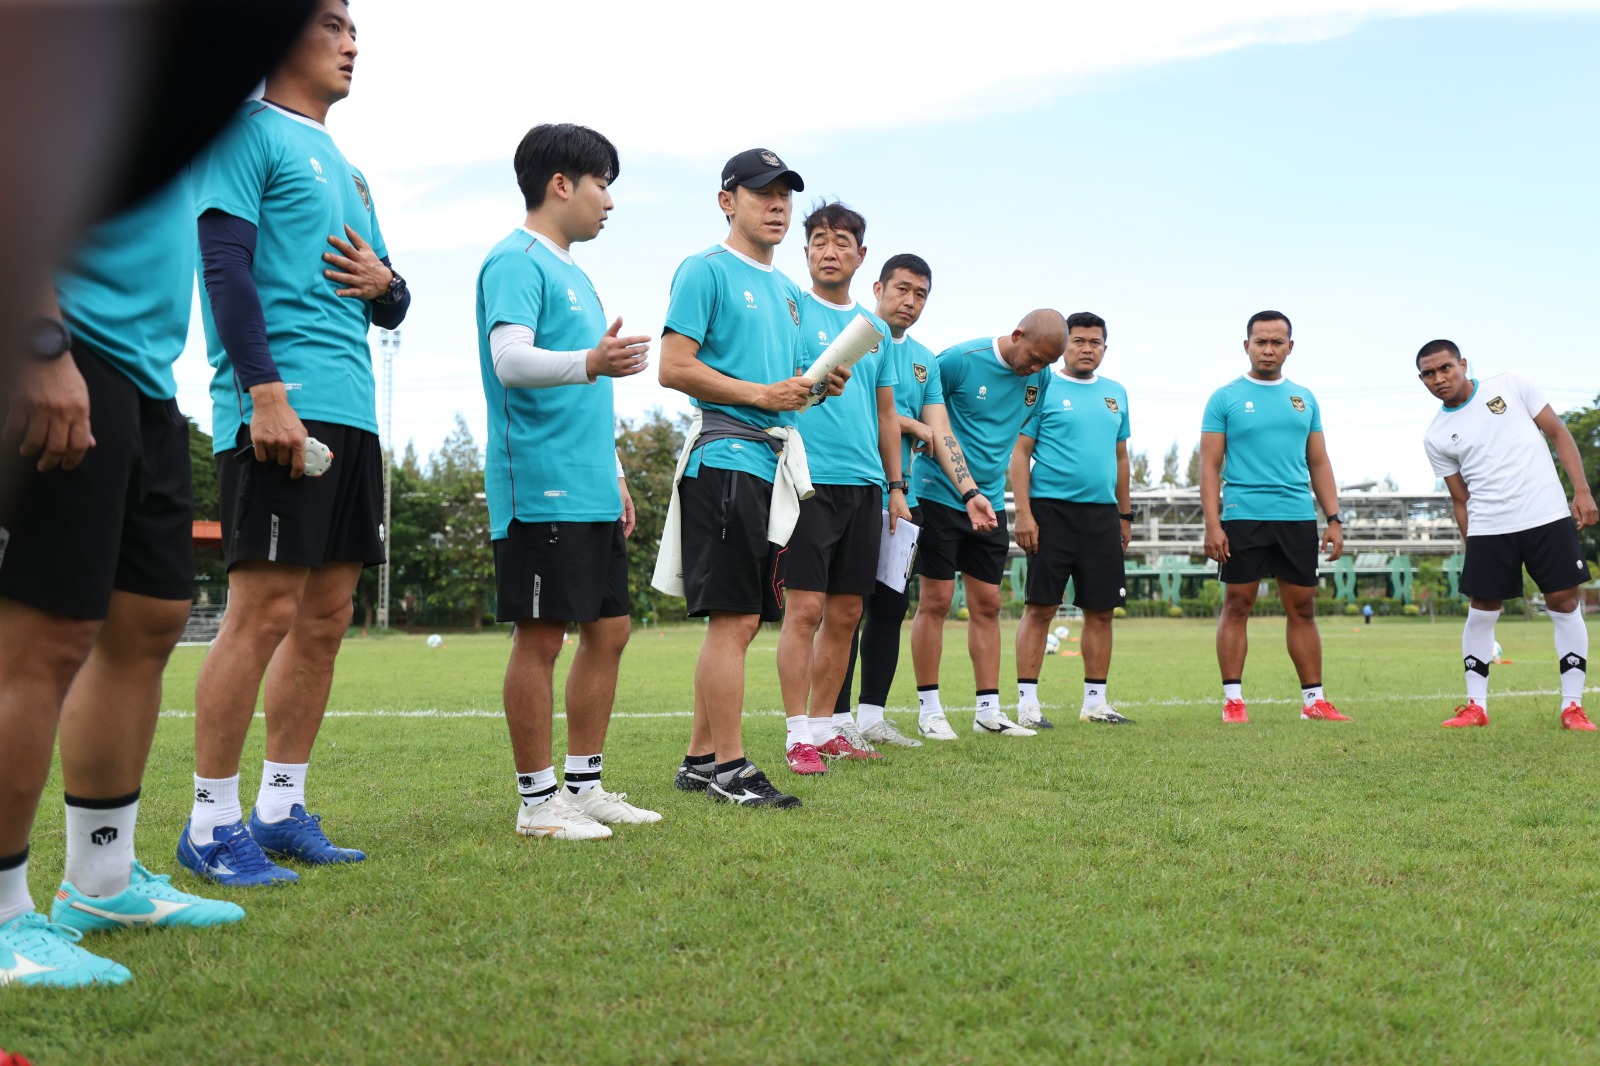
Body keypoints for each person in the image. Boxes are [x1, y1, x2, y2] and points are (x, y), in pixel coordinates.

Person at [180, 0, 411, 885]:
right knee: (263, 613)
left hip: (353, 415)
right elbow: (224, 266)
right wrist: (263, 395)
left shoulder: (351, 172)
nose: (352, 42)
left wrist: (388, 283)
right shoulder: (244, 132)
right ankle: (209, 823)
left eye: (356, 30)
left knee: (323, 620)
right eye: (331, 24)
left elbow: (389, 298)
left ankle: (280, 808)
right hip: (281, 409)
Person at [0, 172, 244, 989]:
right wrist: (40, 339)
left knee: (148, 618)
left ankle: (101, 883)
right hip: (65, 346)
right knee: (48, 629)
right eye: (333, 27)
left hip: (144, 377)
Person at [475, 123, 662, 839]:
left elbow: (589, 385)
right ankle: (537, 804)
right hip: (539, 482)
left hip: (588, 482)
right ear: (562, 184)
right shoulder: (515, 260)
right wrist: (591, 360)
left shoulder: (576, 272)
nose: (608, 200)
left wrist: (615, 470)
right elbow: (510, 361)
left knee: (609, 630)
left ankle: (584, 788)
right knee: (542, 636)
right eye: (602, 183)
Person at [654, 148, 845, 808]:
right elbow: (673, 367)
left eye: (785, 195)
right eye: (762, 193)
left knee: (744, 621)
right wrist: (764, 396)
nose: (777, 206)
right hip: (725, 460)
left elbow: (789, 387)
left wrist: (820, 385)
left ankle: (700, 758)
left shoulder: (789, 295)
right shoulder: (704, 270)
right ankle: (731, 769)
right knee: (732, 622)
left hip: (770, 468)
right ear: (726, 199)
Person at [832, 255, 997, 748]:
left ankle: (870, 717)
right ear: (878, 287)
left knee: (890, 607)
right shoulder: (855, 338)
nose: (909, 301)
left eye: (920, 294)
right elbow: (848, 407)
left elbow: (940, 431)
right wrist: (911, 425)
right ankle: (833, 718)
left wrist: (971, 493)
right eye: (901, 289)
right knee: (846, 609)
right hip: (857, 489)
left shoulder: (925, 358)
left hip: (906, 501)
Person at [776, 203, 909, 775]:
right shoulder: (788, 310)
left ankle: (829, 727)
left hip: (865, 487)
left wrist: (895, 486)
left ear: (860, 255)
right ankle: (796, 733)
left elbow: (885, 413)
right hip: (806, 481)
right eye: (819, 241)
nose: (829, 251)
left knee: (848, 612)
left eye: (841, 242)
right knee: (804, 609)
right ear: (805, 251)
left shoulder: (875, 330)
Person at [1416, 340, 1597, 729]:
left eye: (1445, 368)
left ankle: (1572, 706)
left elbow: (1559, 434)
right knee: (1483, 608)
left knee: (1564, 603)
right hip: (1489, 527)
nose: (1439, 378)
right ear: (1422, 380)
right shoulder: (1436, 435)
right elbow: (1459, 498)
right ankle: (1476, 707)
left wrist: (1581, 491)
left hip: (1546, 515)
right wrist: (1470, 545)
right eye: (1428, 374)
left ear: (1463, 364)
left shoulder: (1511, 384)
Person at [909, 311, 1067, 740]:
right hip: (938, 495)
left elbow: (1011, 432)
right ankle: (930, 710)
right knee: (937, 601)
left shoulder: (1041, 377)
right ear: (1017, 335)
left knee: (989, 606)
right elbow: (917, 410)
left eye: (1045, 363)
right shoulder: (959, 360)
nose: (1035, 368)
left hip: (990, 504)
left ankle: (988, 711)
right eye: (1033, 357)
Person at [1199, 310, 1349, 724]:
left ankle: (1314, 702)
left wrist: (1333, 518)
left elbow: (1318, 462)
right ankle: (1233, 701)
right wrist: (1213, 524)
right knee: (1238, 604)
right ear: (1246, 345)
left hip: (1297, 517)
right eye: (1260, 341)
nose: (1268, 349)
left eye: (1276, 342)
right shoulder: (1224, 397)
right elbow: (1209, 467)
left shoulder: (1305, 398)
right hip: (1243, 517)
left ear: (1290, 347)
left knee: (1302, 608)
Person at [1010, 312, 1134, 728]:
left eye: (1094, 342)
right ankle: (1028, 705)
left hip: (1101, 517)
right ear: (1064, 344)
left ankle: (1095, 703)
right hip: (1051, 512)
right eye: (1078, 340)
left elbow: (1121, 458)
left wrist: (1125, 514)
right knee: (1041, 607)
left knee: (1101, 609)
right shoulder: (1042, 387)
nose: (1086, 348)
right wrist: (1024, 513)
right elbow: (1020, 453)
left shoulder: (1116, 393)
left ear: (1104, 347)